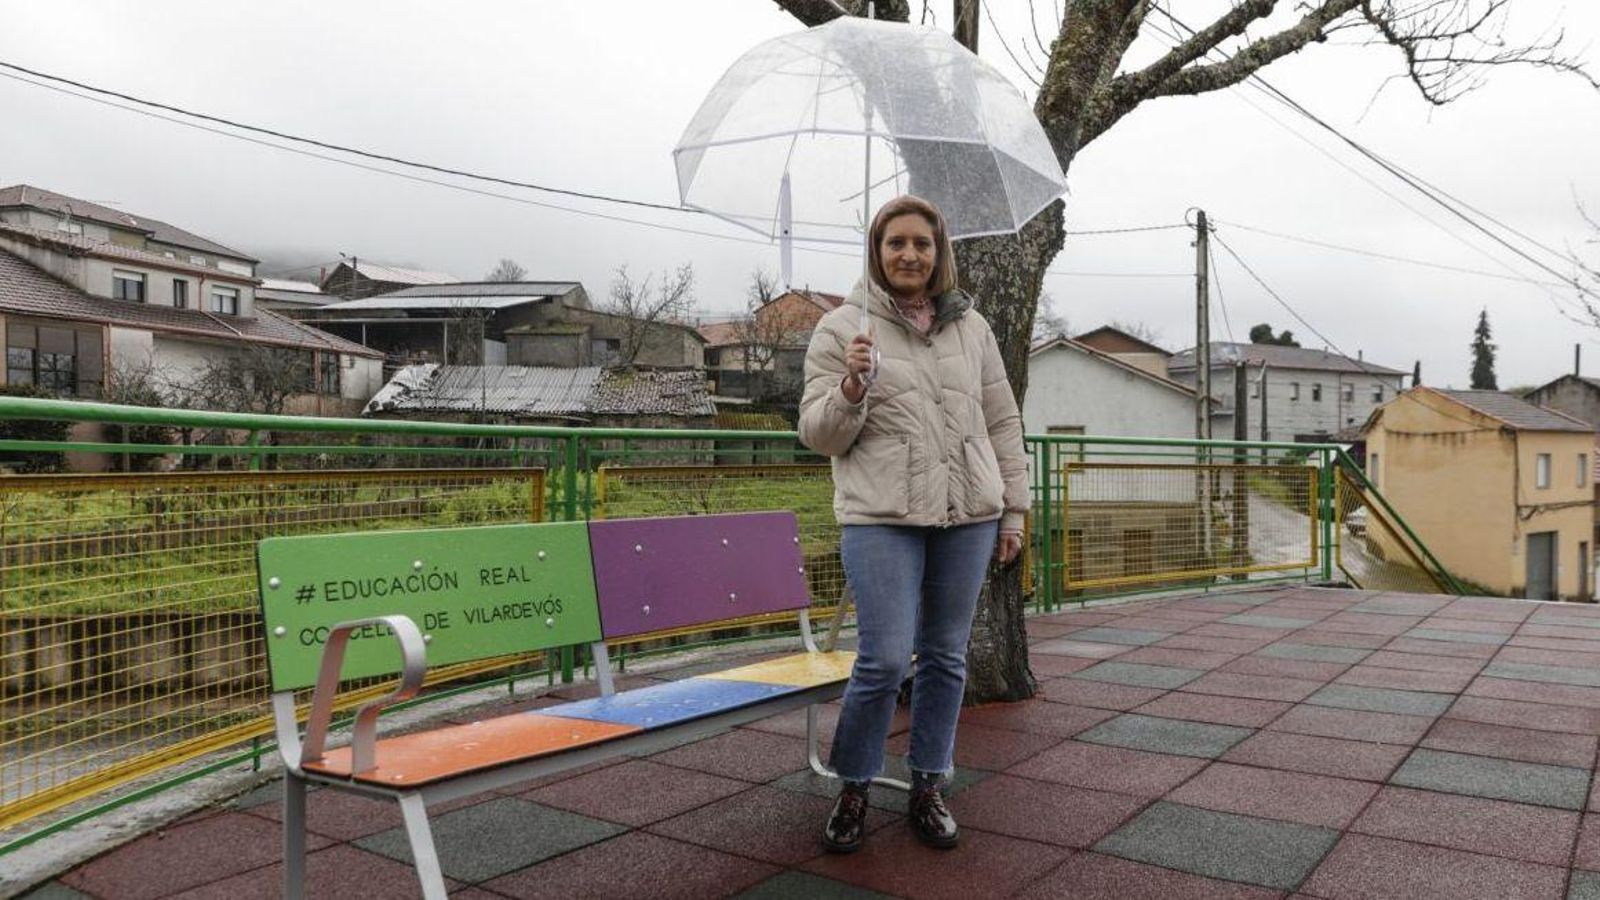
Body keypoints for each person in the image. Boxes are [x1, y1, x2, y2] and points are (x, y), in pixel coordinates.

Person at [797, 195, 1027, 853]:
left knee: (946, 657)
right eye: (895, 242)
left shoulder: (971, 327)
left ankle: (928, 784)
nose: (909, 254)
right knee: (885, 658)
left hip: (968, 513)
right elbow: (817, 435)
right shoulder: (843, 328)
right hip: (882, 516)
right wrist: (851, 389)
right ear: (877, 250)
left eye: (922, 244)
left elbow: (1002, 420)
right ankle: (854, 785)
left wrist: (1013, 508)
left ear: (938, 252)